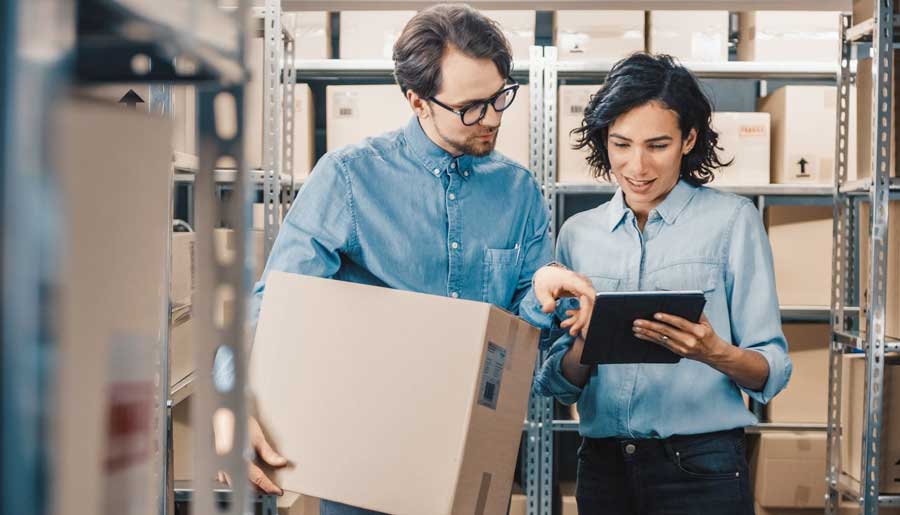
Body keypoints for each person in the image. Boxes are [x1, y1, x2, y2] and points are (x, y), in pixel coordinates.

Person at [221, 5, 595, 514]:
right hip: (367, 465)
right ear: (417, 101)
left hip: (475, 461)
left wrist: (542, 298)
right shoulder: (349, 179)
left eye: (499, 97)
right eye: (470, 107)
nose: (491, 119)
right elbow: (273, 307)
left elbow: (524, 349)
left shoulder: (520, 192)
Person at [531, 53, 792, 514]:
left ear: (688, 139)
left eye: (657, 145)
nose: (637, 166)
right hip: (603, 467)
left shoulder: (734, 222)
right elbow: (559, 385)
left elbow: (771, 369)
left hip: (700, 467)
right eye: (621, 144)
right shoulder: (578, 234)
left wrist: (714, 352)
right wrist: (582, 345)